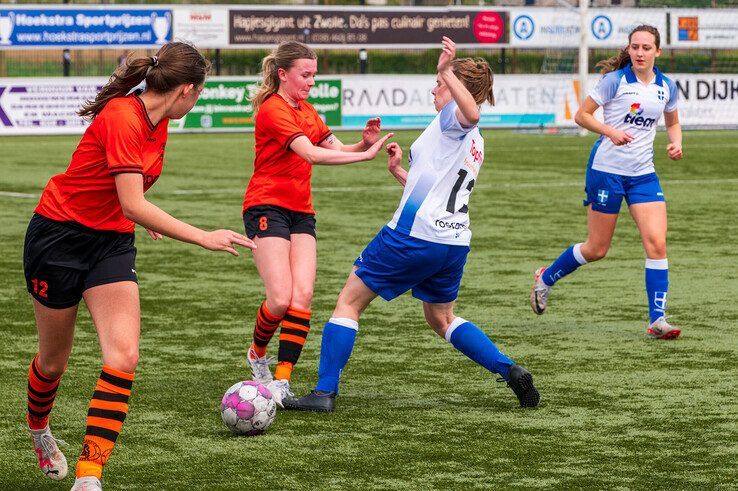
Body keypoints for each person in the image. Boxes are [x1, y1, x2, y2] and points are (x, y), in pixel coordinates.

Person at [23, 43, 255, 491]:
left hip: (110, 244)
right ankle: (39, 428)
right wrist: (203, 235)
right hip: (57, 239)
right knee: (53, 363)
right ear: (186, 89)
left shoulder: (161, 120)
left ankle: (89, 477)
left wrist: (147, 217)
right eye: (200, 93)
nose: (198, 100)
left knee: (124, 356)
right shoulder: (122, 117)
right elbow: (132, 202)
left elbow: (131, 196)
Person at [284, 37, 540, 413]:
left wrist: (445, 70)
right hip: (451, 242)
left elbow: (471, 113)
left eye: (439, 84)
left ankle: (323, 392)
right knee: (442, 319)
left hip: (412, 237)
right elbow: (436, 188)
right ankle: (510, 369)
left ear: (455, 87)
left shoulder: (454, 118)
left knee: (347, 303)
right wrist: (399, 172)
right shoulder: (474, 142)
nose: (434, 90)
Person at [242, 41, 392, 406]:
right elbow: (309, 153)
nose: (311, 81)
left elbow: (334, 146)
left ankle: (281, 381)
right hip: (266, 205)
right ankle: (257, 353)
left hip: (301, 212)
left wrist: (361, 144)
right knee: (279, 299)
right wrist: (365, 157)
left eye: (314, 75)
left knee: (303, 296)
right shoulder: (273, 110)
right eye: (305, 75)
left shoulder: (307, 110)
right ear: (283, 74)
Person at [529, 25, 683, 340]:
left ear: (658, 52)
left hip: (643, 175)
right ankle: (546, 278)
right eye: (635, 47)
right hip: (606, 172)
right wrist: (610, 131)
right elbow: (581, 115)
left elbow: (673, 120)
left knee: (657, 243)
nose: (640, 53)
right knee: (597, 248)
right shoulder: (614, 81)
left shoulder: (666, 86)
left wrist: (675, 142)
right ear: (628, 50)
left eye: (646, 47)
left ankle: (658, 320)